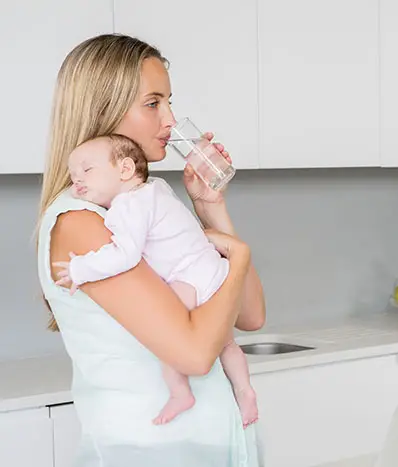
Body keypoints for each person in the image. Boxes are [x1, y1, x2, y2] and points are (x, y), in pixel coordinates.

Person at [36, 33, 265, 466]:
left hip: (213, 444)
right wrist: (239, 260)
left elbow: (249, 316)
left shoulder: (144, 201)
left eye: (169, 101)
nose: (171, 119)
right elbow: (195, 355)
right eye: (153, 102)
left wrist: (210, 207)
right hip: (154, 451)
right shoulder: (81, 223)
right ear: (103, 110)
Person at [51, 134, 259, 428]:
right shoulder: (157, 188)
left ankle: (179, 392)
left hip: (188, 279)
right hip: (212, 268)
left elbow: (125, 254)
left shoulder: (127, 205)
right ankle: (244, 389)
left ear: (124, 170)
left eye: (87, 171)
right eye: (73, 177)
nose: (77, 182)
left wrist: (80, 269)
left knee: (172, 337)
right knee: (226, 344)